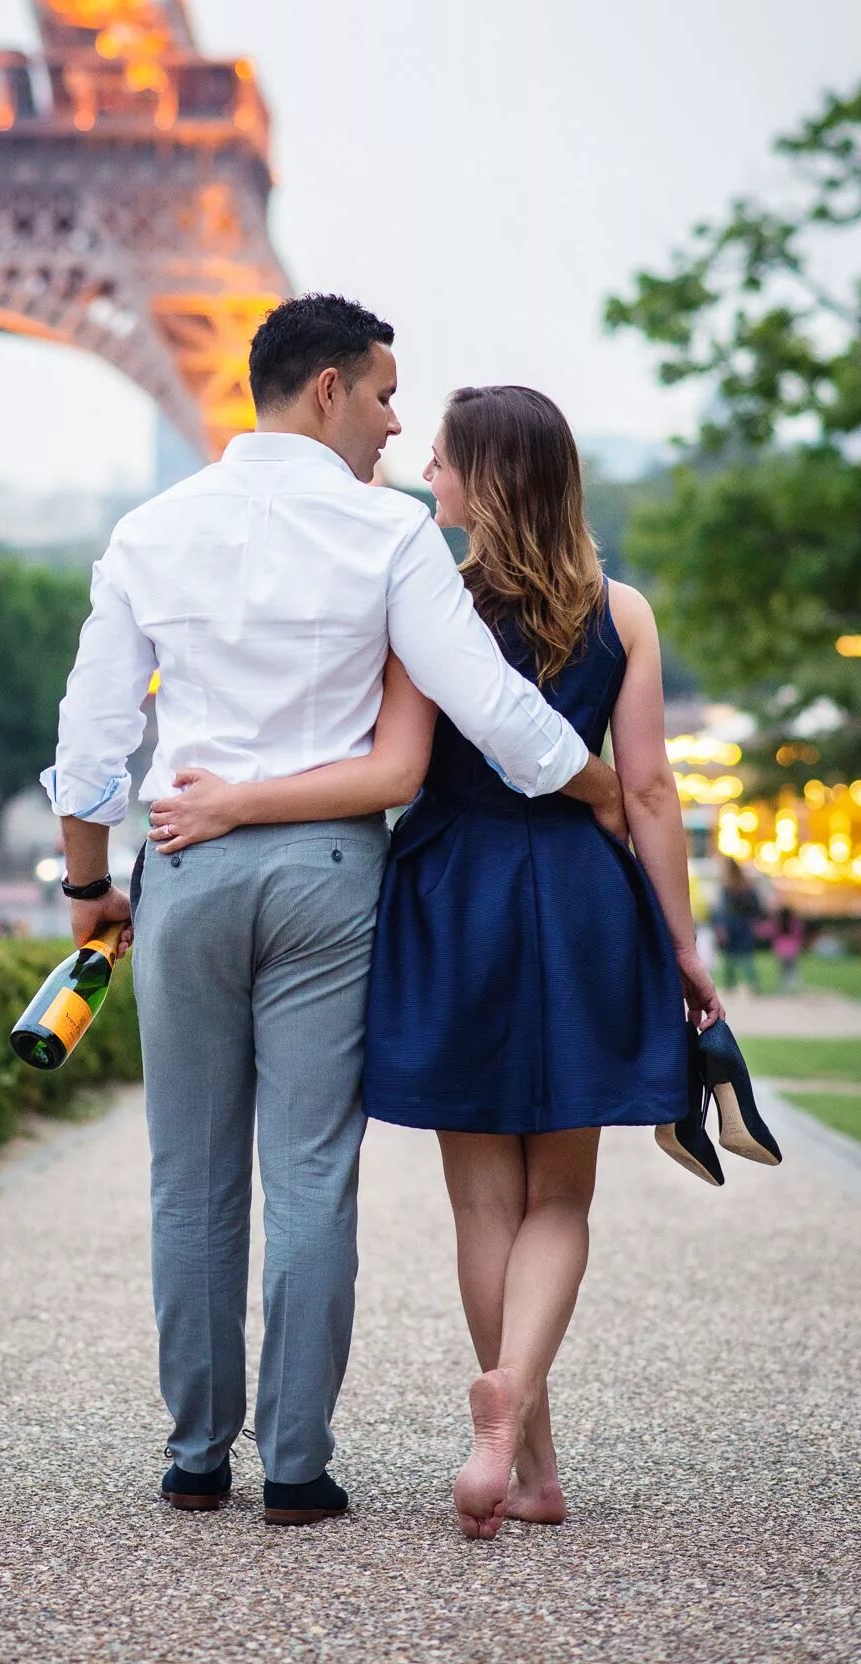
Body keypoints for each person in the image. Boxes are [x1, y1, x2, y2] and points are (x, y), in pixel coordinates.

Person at [41, 297, 626, 1528]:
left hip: (186, 854)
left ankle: (198, 1451)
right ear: (323, 390)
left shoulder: (147, 529)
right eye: (380, 393)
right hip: (325, 870)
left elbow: (92, 742)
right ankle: (296, 1465)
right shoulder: (388, 532)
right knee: (309, 1170)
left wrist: (87, 886)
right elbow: (492, 712)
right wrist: (609, 788)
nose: (395, 420)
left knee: (186, 1174)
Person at [149, 384, 721, 1538]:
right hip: (575, 896)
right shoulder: (624, 612)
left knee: (482, 1201)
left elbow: (397, 761)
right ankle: (516, 1429)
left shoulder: (429, 601)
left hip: (452, 896)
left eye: (446, 461)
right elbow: (648, 788)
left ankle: (520, 1444)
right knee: (560, 1193)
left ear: (486, 481)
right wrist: (681, 940)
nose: (426, 473)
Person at [716, 858, 766, 993]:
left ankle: (729, 985)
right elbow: (758, 907)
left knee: (730, 957)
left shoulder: (726, 886)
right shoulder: (747, 885)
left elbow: (721, 910)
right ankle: (753, 985)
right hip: (745, 925)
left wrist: (720, 926)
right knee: (746, 956)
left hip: (732, 924)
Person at [770, 904, 807, 992]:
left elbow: (767, 931)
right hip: (793, 950)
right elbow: (800, 933)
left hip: (780, 950)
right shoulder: (795, 923)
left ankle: (783, 987)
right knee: (793, 969)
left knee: (783, 970)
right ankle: (795, 986)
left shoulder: (777, 923)